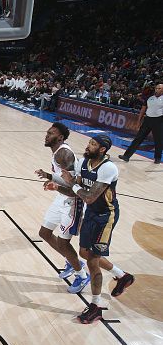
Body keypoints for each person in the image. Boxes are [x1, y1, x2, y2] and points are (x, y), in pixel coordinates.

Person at [46, 135, 135, 324]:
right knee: (84, 253)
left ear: (102, 149)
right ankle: (122, 276)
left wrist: (73, 182)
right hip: (91, 214)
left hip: (105, 216)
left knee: (92, 261)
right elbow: (74, 190)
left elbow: (89, 197)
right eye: (90, 142)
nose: (89, 145)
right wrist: (57, 186)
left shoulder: (108, 168)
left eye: (93, 144)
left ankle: (96, 307)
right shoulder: (85, 162)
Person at [34, 123, 89, 294]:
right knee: (44, 233)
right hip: (62, 198)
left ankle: (81, 275)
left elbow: (74, 186)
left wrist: (54, 183)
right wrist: (52, 178)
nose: (47, 135)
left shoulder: (64, 153)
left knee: (64, 244)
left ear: (60, 138)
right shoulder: (57, 152)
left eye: (51, 133)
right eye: (47, 132)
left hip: (73, 202)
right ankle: (73, 262)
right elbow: (64, 179)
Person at [119, 82, 163, 164]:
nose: (157, 90)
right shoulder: (149, 98)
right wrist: (139, 121)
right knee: (138, 138)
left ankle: (157, 158)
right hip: (148, 120)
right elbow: (143, 110)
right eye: (156, 88)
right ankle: (126, 156)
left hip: (159, 121)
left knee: (158, 141)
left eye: (159, 88)